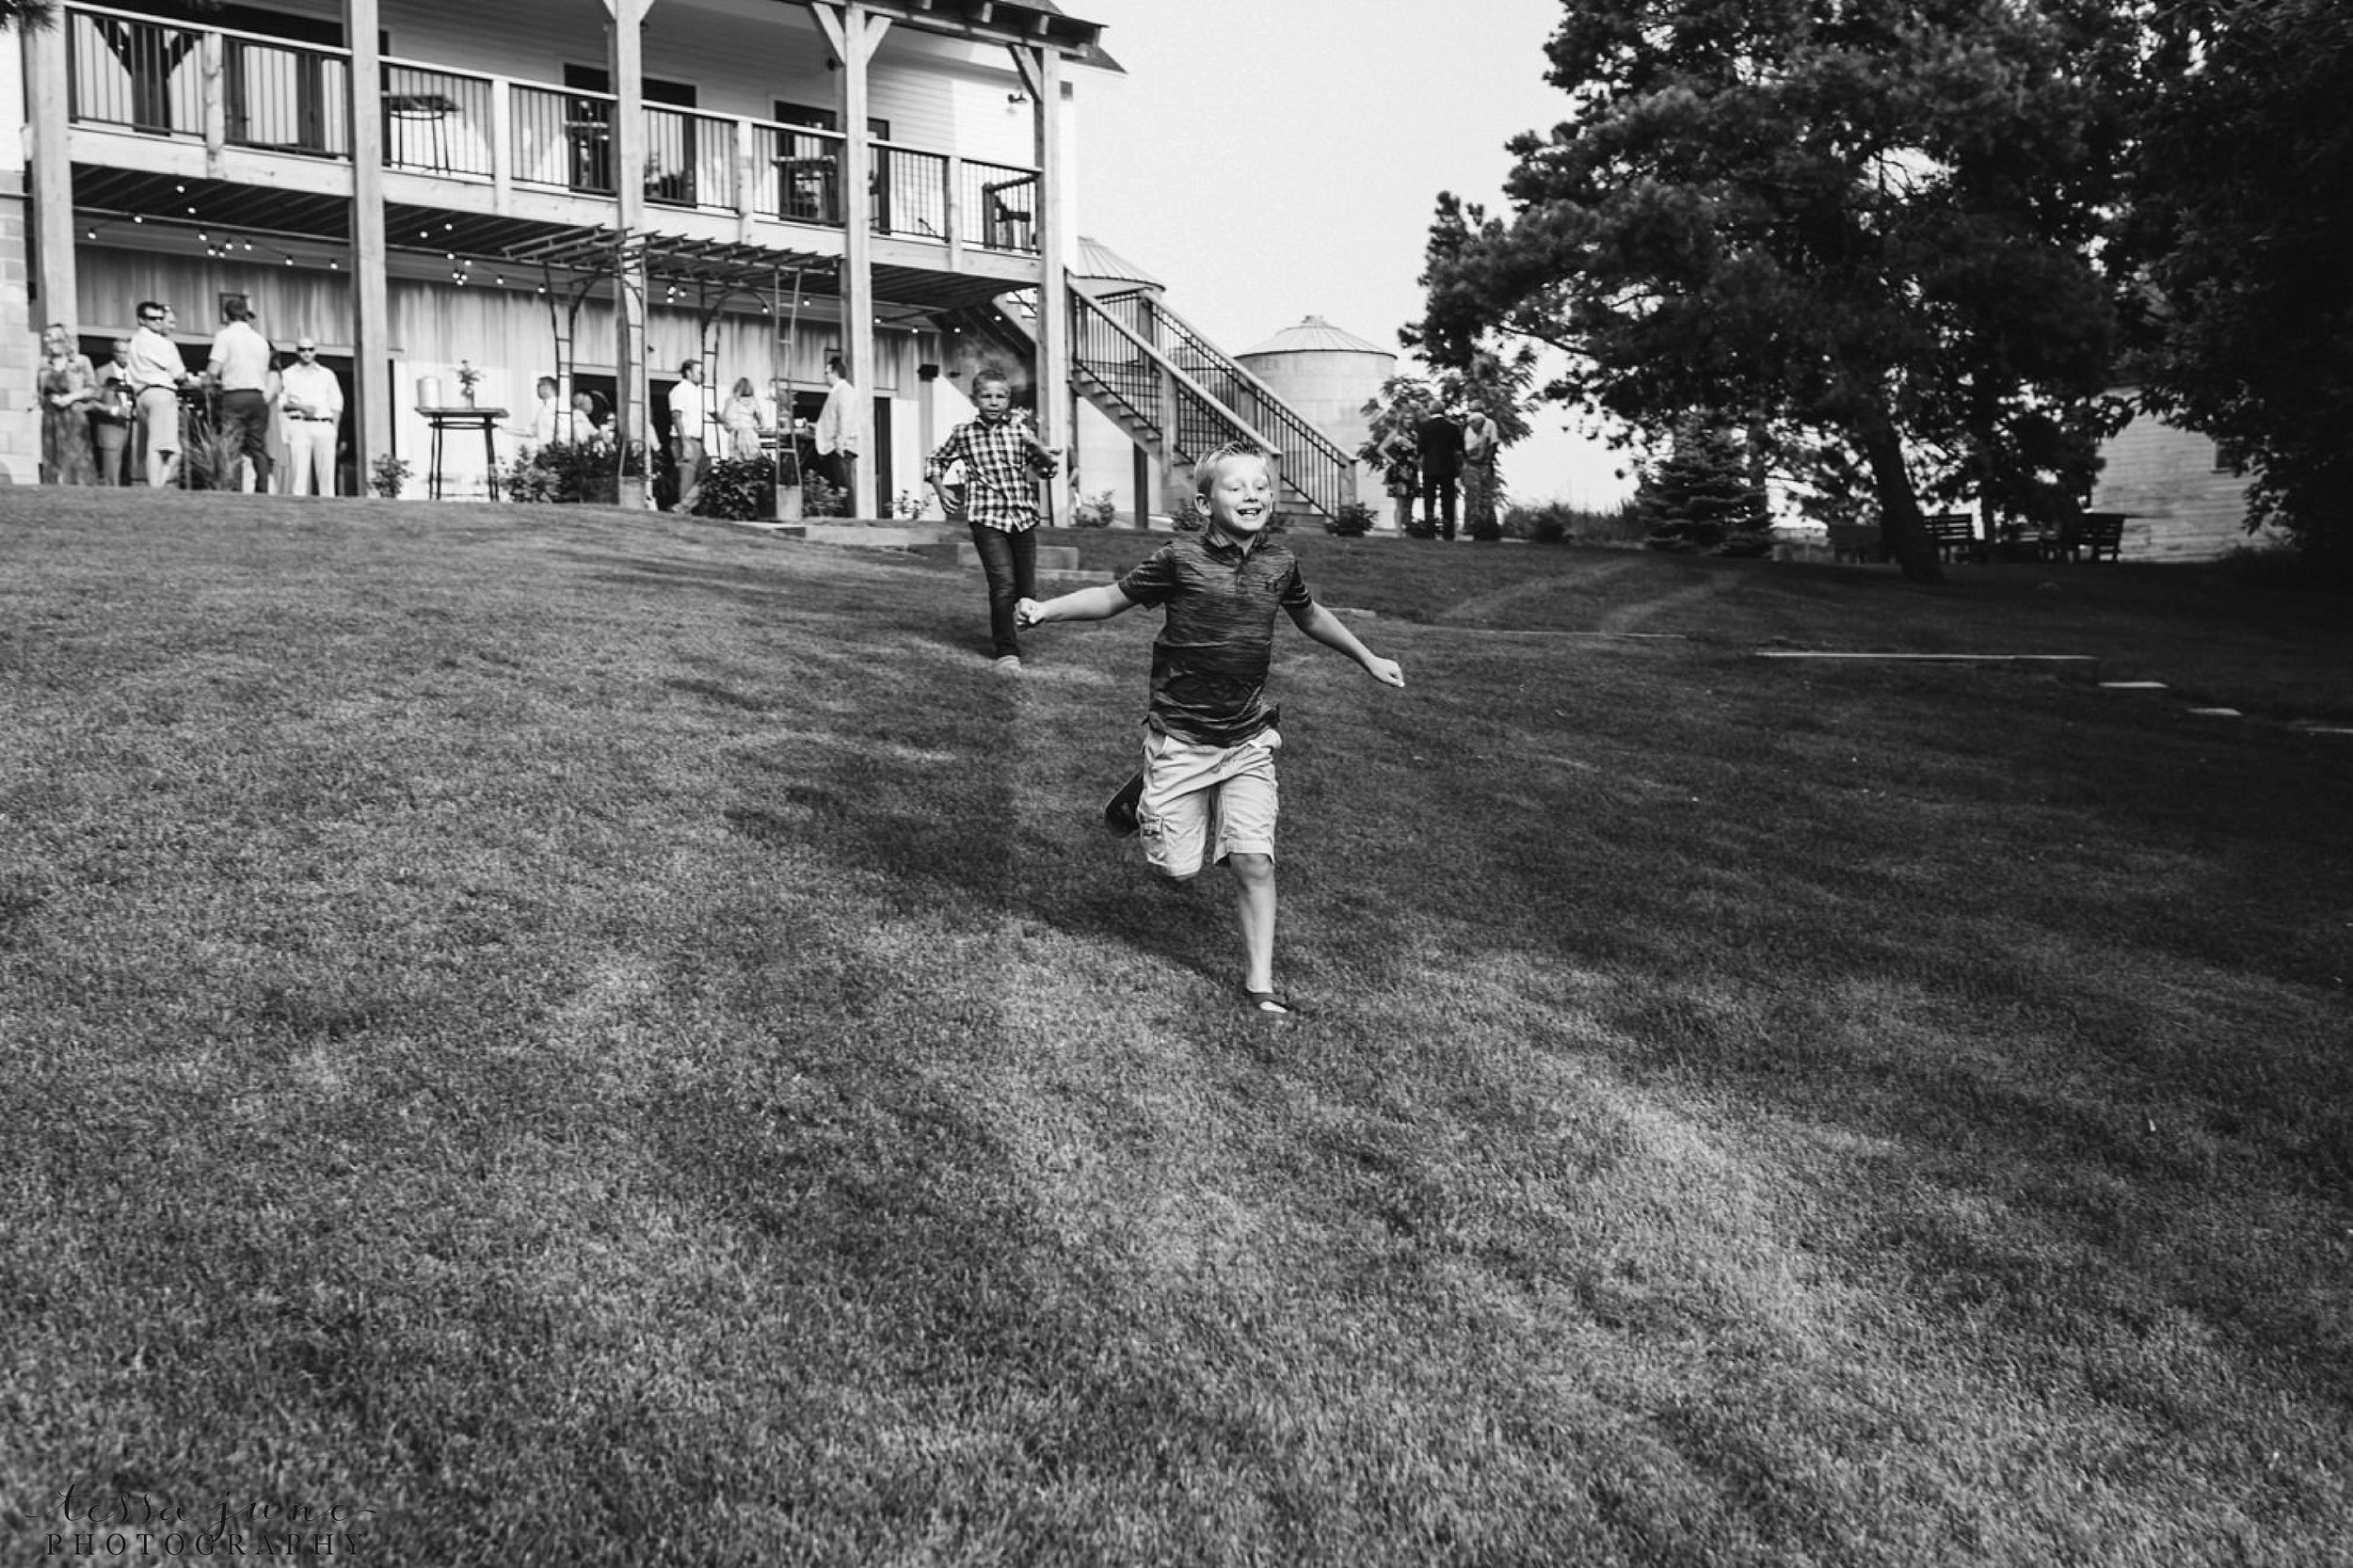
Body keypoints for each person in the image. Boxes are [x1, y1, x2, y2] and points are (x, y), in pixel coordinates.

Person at [1015, 445, 1405, 1016]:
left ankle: (1260, 986)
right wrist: (1047, 609)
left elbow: (1312, 616)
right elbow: (1110, 598)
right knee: (1175, 869)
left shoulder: (1281, 564)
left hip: (1248, 736)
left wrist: (1368, 658)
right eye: (1236, 487)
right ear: (1204, 502)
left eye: (1261, 486)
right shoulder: (1179, 558)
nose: (1252, 495)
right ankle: (1144, 793)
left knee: (1255, 860)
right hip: (1182, 735)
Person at [925, 365, 1060, 669]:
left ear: (1008, 400)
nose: (994, 402)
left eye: (1001, 396)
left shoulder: (1020, 431)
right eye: (987, 396)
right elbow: (936, 458)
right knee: (1003, 585)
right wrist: (940, 486)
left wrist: (1045, 456)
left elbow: (1045, 471)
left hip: (1023, 518)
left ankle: (1019, 623)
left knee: (1026, 589)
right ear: (975, 400)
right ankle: (1007, 651)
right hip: (987, 519)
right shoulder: (964, 433)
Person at [205, 296, 275, 493]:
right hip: (257, 396)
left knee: (232, 444)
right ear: (245, 315)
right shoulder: (260, 340)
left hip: (235, 395)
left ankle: (233, 487)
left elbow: (214, 368)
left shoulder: (225, 336)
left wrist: (207, 381)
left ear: (226, 316)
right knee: (258, 447)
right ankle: (262, 489)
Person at [127, 299, 190, 488]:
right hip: (161, 393)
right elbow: (178, 374)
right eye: (152, 318)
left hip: (141, 396)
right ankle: (157, 486)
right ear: (141, 320)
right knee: (170, 450)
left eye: (159, 318)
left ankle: (154, 484)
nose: (157, 322)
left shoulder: (135, 340)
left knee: (153, 445)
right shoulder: (162, 343)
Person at [277, 336, 344, 496]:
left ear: (315, 351)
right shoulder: (287, 374)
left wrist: (333, 429)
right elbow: (280, 403)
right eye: (302, 350)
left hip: (323, 425)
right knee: (299, 473)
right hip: (299, 424)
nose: (306, 353)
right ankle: (298, 507)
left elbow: (336, 403)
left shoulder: (327, 374)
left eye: (310, 349)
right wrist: (300, 407)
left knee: (326, 475)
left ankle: (328, 507)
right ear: (297, 352)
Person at [38, 323, 99, 486]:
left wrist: (70, 398)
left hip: (73, 411)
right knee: (52, 452)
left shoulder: (81, 361)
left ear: (60, 338)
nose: (46, 340)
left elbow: (93, 389)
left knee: (76, 452)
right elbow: (40, 392)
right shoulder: (43, 364)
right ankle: (53, 486)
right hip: (51, 415)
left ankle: (79, 486)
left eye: (49, 336)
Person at [815, 354, 865, 514]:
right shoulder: (837, 392)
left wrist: (840, 444)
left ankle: (849, 519)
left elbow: (845, 418)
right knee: (836, 485)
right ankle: (840, 517)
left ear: (833, 372)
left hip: (839, 447)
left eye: (826, 373)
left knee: (842, 486)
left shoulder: (844, 392)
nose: (825, 377)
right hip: (832, 446)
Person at [1414, 404, 1465, 539]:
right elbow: (1460, 446)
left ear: (1431, 411)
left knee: (1429, 499)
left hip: (1430, 467)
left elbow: (1420, 449)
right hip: (1448, 467)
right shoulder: (1453, 427)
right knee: (1447, 500)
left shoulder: (1424, 427)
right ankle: (1448, 532)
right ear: (1444, 411)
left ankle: (1430, 530)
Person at [90, 337, 135, 486]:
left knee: (132, 473)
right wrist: (114, 411)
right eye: (120, 352)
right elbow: (93, 402)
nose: (124, 356)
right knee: (111, 476)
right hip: (111, 427)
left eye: (127, 352)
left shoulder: (137, 372)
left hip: (134, 427)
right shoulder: (102, 372)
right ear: (114, 353)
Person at [667, 358, 708, 512]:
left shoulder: (699, 391)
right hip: (685, 439)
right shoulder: (680, 390)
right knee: (687, 479)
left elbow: (712, 412)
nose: (702, 375)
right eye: (699, 372)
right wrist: (685, 442)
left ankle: (684, 506)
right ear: (688, 373)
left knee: (708, 475)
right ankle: (682, 510)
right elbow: (676, 416)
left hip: (699, 440)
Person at [1462, 407, 1500, 538]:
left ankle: (1485, 526)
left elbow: (1492, 444)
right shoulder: (1468, 429)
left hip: (1481, 465)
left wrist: (1486, 462)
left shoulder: (1489, 424)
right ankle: (1471, 525)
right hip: (1471, 464)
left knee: (1485, 495)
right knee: (1471, 494)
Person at [722, 376, 766, 460]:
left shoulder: (731, 401)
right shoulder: (753, 402)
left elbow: (726, 421)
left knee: (735, 465)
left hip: (735, 435)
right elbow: (761, 422)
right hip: (750, 436)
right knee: (752, 464)